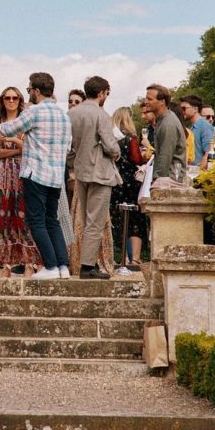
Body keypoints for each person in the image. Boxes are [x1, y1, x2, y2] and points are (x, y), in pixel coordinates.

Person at [0, 72, 73, 279]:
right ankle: (63, 266)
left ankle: (49, 266)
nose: (29, 93)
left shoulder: (35, 112)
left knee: (36, 221)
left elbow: (10, 128)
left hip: (36, 174)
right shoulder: (64, 116)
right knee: (52, 221)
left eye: (30, 89)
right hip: (56, 176)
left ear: (37, 91)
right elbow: (68, 147)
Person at [0, 87, 43, 276]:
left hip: (22, 174)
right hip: (0, 175)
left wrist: (12, 143)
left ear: (20, 100)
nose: (11, 100)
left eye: (15, 97)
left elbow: (29, 147)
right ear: (2, 100)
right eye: (7, 97)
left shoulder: (26, 122)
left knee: (23, 218)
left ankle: (29, 264)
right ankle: (6, 265)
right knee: (3, 218)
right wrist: (17, 149)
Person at [66, 76, 120, 280]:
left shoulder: (72, 114)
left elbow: (68, 146)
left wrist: (74, 161)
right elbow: (110, 144)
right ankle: (88, 265)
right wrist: (116, 152)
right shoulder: (101, 114)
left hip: (80, 170)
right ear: (102, 93)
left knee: (84, 218)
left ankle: (86, 262)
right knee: (95, 221)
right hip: (100, 171)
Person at [111, 106, 146, 272]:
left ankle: (123, 256)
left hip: (115, 181)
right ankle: (136, 258)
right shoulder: (131, 137)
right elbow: (136, 158)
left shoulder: (111, 138)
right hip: (131, 181)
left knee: (118, 218)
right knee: (135, 219)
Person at [143, 85, 188, 184]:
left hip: (170, 181)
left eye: (149, 99)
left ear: (162, 102)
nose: (145, 102)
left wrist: (156, 181)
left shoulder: (167, 124)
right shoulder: (163, 120)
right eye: (146, 98)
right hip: (168, 180)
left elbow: (165, 157)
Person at [180, 95, 214, 170]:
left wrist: (197, 174)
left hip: (198, 175)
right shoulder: (191, 127)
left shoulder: (205, 126)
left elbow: (208, 154)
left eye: (184, 108)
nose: (182, 111)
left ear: (195, 109)